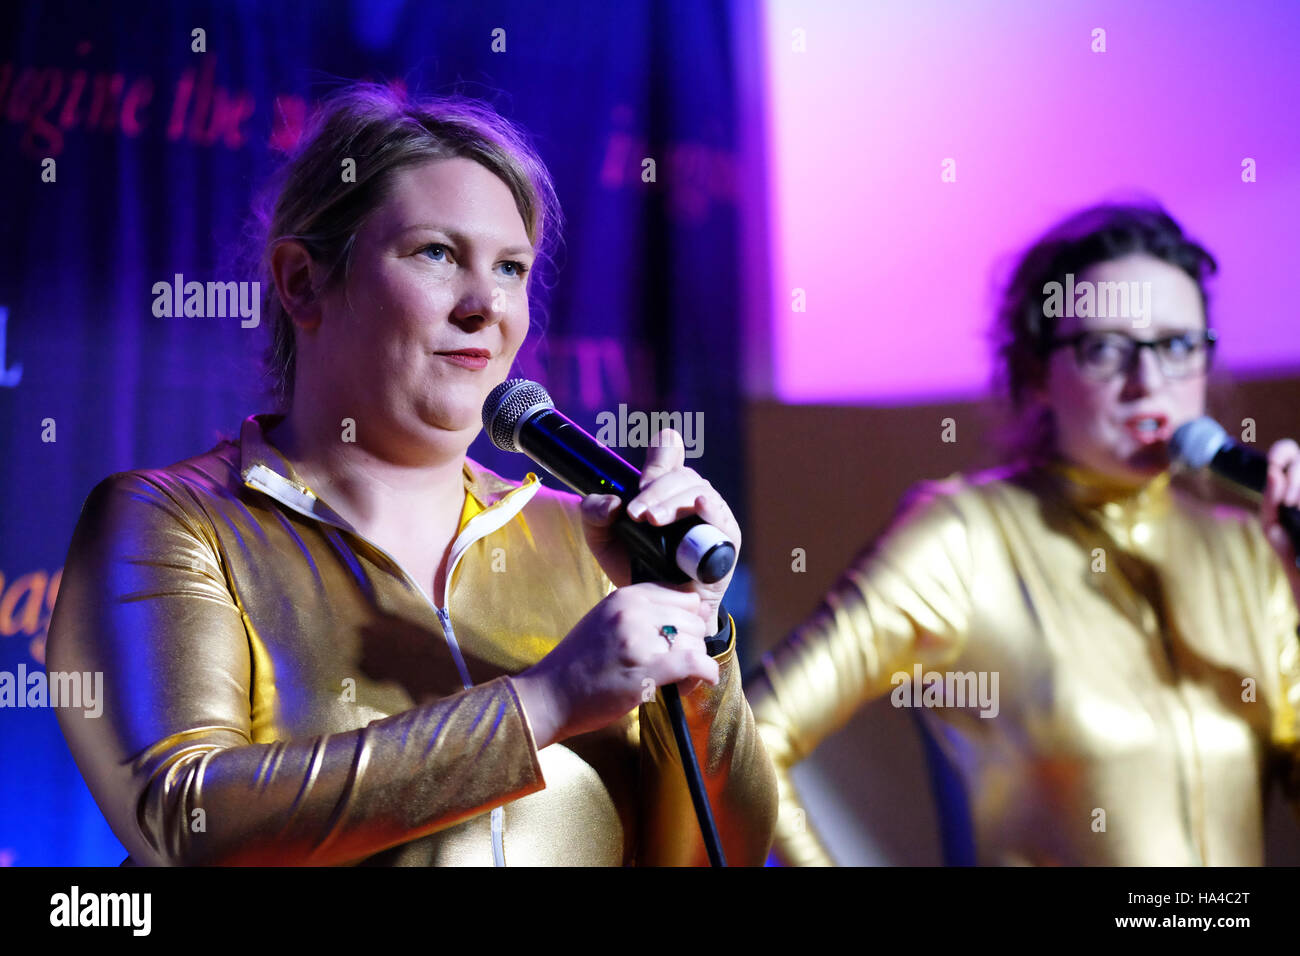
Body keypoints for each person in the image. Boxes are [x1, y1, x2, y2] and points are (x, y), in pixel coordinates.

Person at [45, 84, 777, 866]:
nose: (485, 305)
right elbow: (182, 819)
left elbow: (716, 850)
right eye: (437, 253)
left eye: (510, 268)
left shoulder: (592, 542)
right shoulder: (177, 519)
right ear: (301, 282)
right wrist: (543, 701)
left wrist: (700, 637)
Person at [748, 202, 1300, 866]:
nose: (1148, 383)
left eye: (1178, 346)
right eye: (1104, 349)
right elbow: (749, 735)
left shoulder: (1249, 550)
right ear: (1037, 371)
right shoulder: (964, 537)